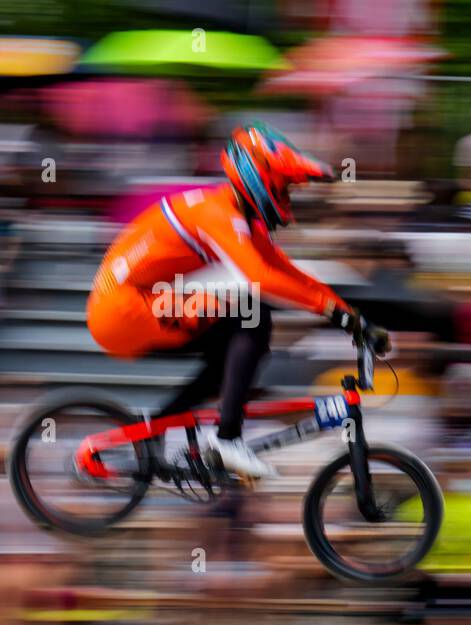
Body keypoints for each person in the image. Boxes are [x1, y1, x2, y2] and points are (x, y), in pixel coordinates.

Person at [86, 123, 388, 478]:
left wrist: (352, 317)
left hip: (134, 304)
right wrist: (337, 315)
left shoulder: (236, 216)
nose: (288, 197)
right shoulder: (218, 213)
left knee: (234, 354)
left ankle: (158, 429)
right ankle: (227, 439)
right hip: (124, 308)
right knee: (253, 317)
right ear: (258, 177)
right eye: (285, 186)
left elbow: (286, 271)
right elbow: (260, 278)